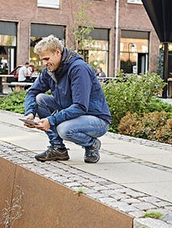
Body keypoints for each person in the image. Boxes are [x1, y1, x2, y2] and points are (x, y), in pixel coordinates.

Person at [22, 35, 112, 163]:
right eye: (42, 59)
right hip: (73, 113)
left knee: (64, 129)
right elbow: (32, 92)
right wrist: (30, 113)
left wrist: (51, 120)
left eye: (46, 58)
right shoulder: (50, 70)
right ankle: (58, 148)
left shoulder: (79, 68)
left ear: (57, 52)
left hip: (96, 119)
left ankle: (91, 144)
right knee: (39, 99)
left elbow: (80, 106)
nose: (44, 63)